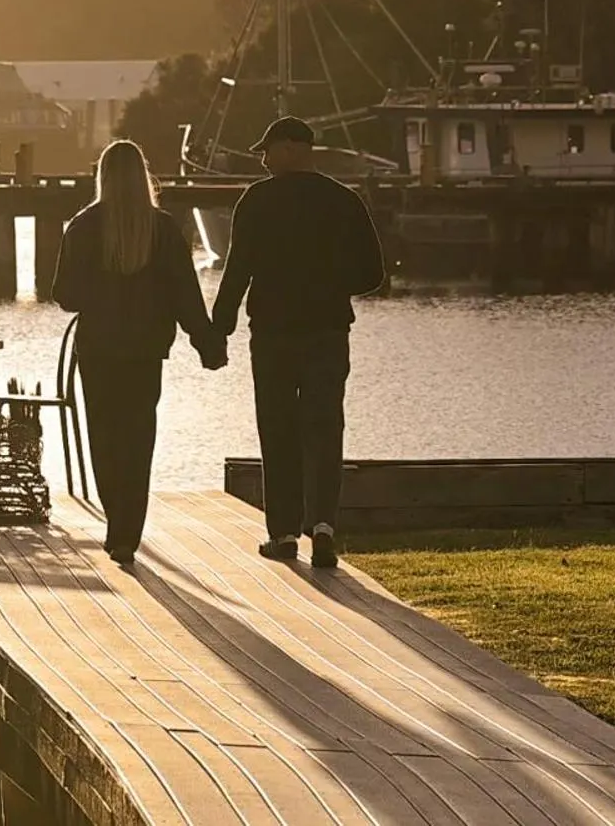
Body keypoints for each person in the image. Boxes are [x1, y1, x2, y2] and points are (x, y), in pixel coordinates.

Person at [211, 116, 386, 568]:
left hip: (272, 335)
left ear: (292, 148)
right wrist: (331, 287)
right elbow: (373, 274)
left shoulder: (257, 201)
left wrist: (218, 329)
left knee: (278, 429)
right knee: (325, 426)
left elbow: (237, 272)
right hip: (328, 332)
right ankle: (324, 526)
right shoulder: (345, 201)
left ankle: (284, 533)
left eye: (267, 150)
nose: (264, 161)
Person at [53, 140, 226, 566]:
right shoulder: (164, 229)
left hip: (98, 350)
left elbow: (65, 295)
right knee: (139, 439)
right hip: (146, 350)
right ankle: (129, 531)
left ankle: (116, 524)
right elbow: (186, 295)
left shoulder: (83, 226)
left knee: (105, 437)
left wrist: (99, 290)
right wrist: (207, 343)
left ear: (104, 178)